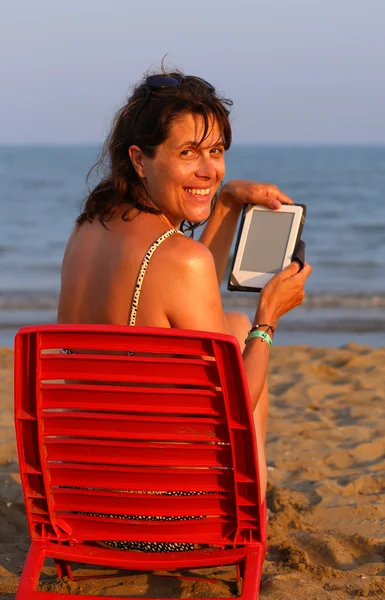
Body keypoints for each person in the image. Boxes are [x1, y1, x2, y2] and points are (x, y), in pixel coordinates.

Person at [57, 68, 312, 552]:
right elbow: (233, 409)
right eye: (187, 152)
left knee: (229, 326)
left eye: (215, 152)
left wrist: (227, 205)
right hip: (158, 522)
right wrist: (269, 319)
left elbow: (184, 293)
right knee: (245, 335)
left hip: (85, 502)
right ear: (139, 158)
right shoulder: (180, 259)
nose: (208, 171)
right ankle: (248, 517)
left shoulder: (87, 230)